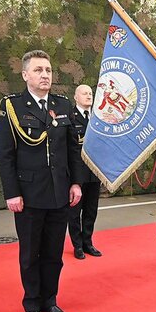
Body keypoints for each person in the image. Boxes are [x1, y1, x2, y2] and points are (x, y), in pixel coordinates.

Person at [0, 50, 83, 312]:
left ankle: (50, 300)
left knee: (54, 253)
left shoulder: (63, 105)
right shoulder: (12, 106)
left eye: (48, 70)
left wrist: (76, 182)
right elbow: (5, 154)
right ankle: (32, 303)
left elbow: (73, 149)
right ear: (25, 75)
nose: (45, 75)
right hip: (29, 194)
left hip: (59, 192)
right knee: (30, 253)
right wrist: (11, 192)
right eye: (38, 70)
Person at [69, 84, 102, 260]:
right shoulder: (70, 117)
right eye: (84, 93)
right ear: (76, 97)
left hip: (94, 172)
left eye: (90, 93)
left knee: (91, 210)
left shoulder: (98, 118)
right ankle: (77, 245)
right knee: (75, 212)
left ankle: (88, 242)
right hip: (77, 173)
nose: (89, 96)